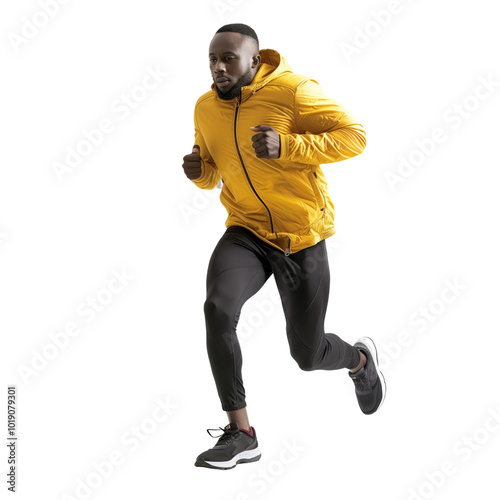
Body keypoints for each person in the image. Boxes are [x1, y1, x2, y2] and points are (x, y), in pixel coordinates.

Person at [182, 23, 386, 470]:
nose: (218, 67)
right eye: (212, 59)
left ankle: (359, 361)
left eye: (228, 59)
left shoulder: (293, 92)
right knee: (217, 309)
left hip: (299, 238)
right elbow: (214, 172)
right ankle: (242, 433)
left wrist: (289, 145)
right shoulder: (204, 107)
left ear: (254, 60)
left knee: (308, 356)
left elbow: (355, 136)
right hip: (246, 231)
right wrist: (200, 170)